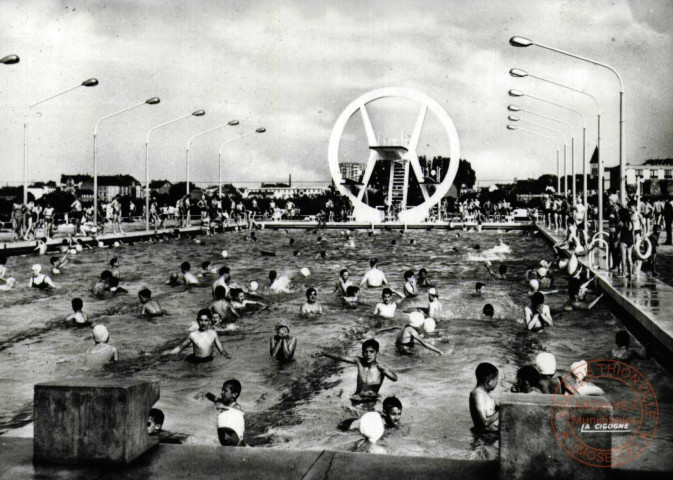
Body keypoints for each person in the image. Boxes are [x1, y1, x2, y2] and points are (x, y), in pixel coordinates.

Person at [316, 339, 398, 402]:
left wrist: (385, 371)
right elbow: (341, 357)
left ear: (377, 353)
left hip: (372, 400)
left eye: (371, 352)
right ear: (362, 353)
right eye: (365, 352)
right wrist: (325, 353)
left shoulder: (381, 368)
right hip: (356, 398)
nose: (368, 354)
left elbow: (395, 378)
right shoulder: (359, 361)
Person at [165, 309, 231, 362]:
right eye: (201, 320)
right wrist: (169, 354)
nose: (203, 323)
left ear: (210, 321)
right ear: (197, 321)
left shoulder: (213, 334)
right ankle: (162, 353)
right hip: (196, 361)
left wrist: (227, 355)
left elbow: (221, 350)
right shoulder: (193, 335)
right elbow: (180, 347)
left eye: (206, 320)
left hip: (209, 359)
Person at [469, 362, 499, 432]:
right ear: (489, 381)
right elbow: (484, 422)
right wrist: (502, 410)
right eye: (496, 379)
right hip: (483, 440)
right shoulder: (477, 394)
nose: (497, 382)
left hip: (489, 436)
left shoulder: (486, 395)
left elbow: (498, 410)